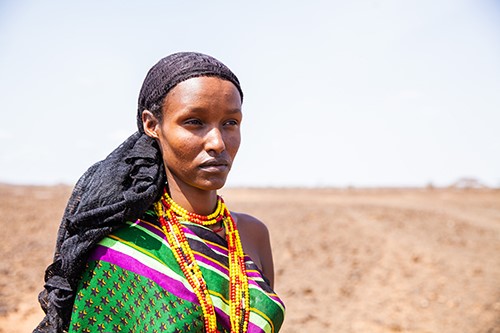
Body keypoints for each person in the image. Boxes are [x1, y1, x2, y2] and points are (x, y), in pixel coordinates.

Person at [34, 52, 285, 333]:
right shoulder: (120, 247)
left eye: (230, 123)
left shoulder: (252, 235)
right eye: (194, 122)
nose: (217, 142)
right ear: (152, 125)